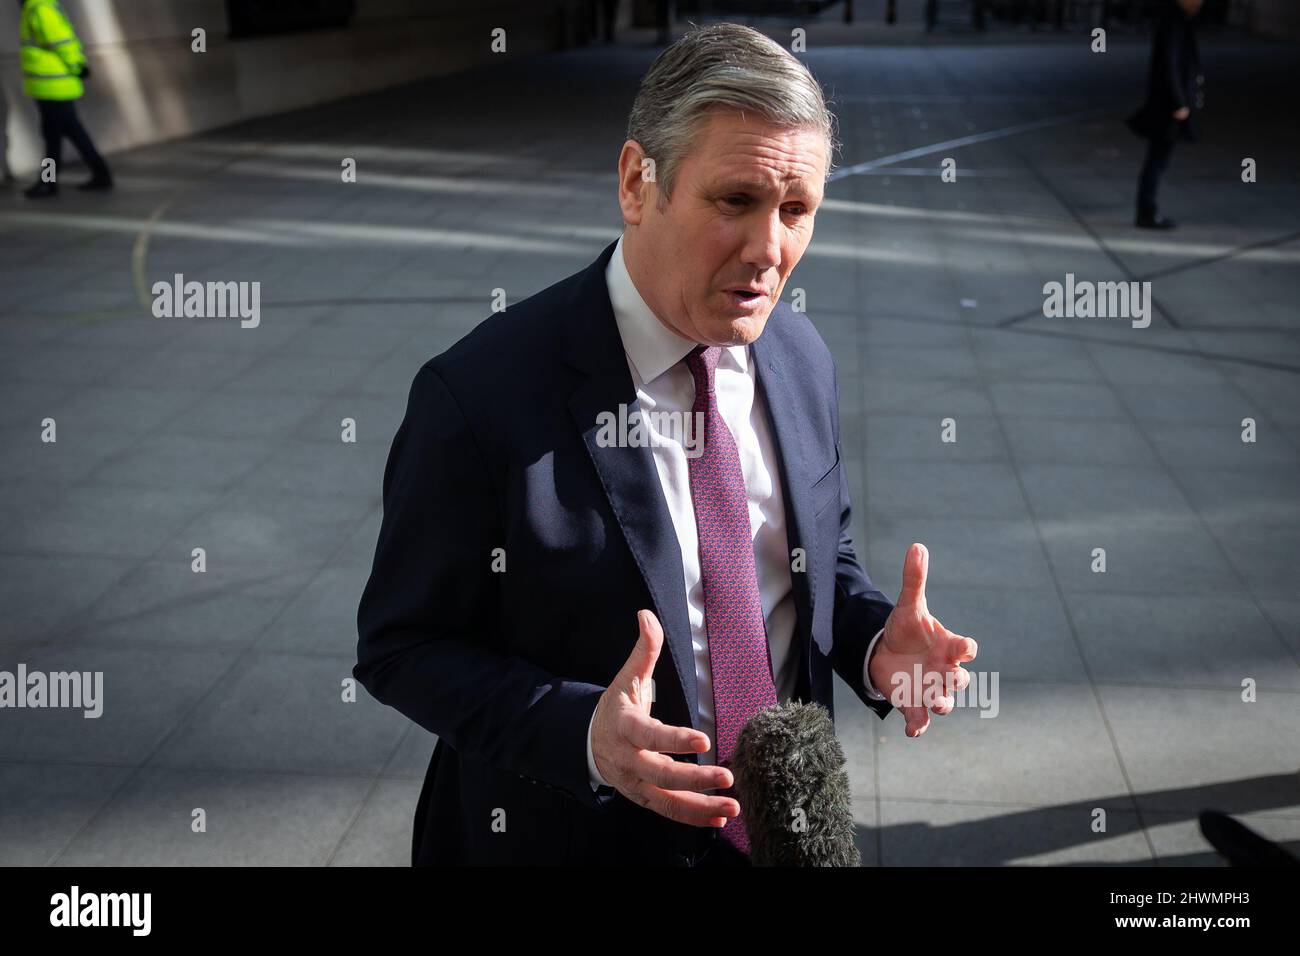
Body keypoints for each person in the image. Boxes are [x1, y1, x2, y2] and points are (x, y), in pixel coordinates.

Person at [355, 22, 979, 867]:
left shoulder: (799, 358)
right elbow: (404, 646)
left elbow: (811, 564)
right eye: (736, 201)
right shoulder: (479, 396)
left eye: (797, 211)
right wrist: (580, 731)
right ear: (636, 182)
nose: (770, 252)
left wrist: (875, 646)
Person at [17, 0, 112, 198]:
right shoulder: (38, 7)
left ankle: (49, 182)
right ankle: (100, 173)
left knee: (53, 137)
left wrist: (78, 66)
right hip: (50, 84)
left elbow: (62, 41)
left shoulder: (40, 9)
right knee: (72, 132)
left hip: (53, 85)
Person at [1126, 0, 1203, 229]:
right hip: (1168, 105)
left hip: (1166, 103)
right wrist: (1180, 102)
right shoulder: (1174, 22)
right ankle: (1146, 212)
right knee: (1157, 159)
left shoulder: (1176, 20)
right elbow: (1170, 64)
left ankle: (1146, 210)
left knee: (1157, 158)